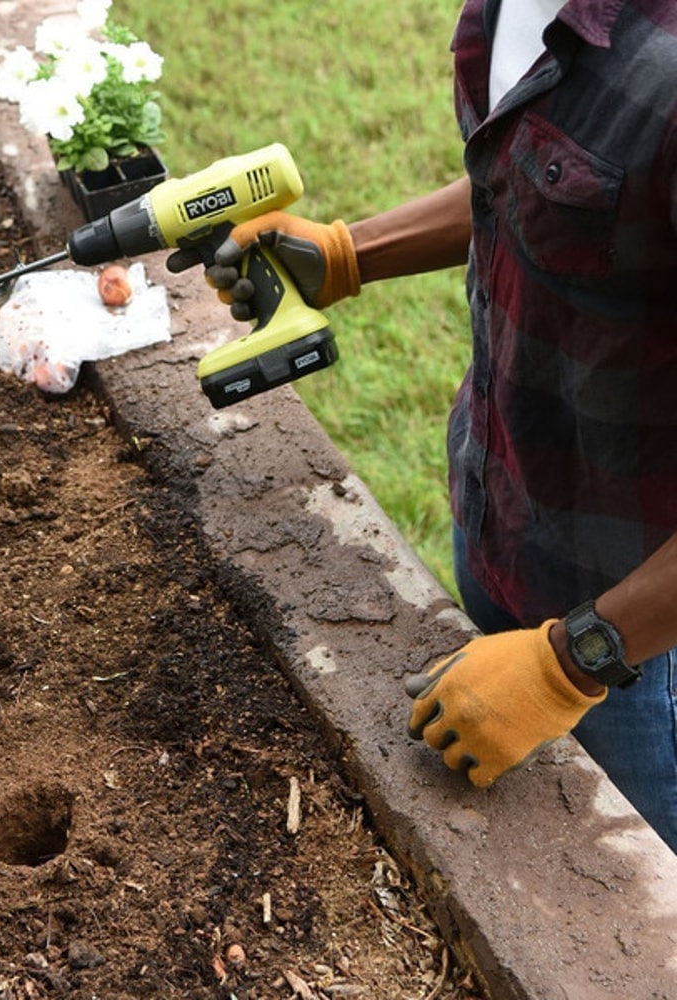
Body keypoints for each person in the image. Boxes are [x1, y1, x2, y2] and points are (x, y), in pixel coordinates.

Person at [170, 0, 677, 854]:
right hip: (502, 513)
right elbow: (536, 181)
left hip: (636, 631)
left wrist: (577, 658)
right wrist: (348, 253)